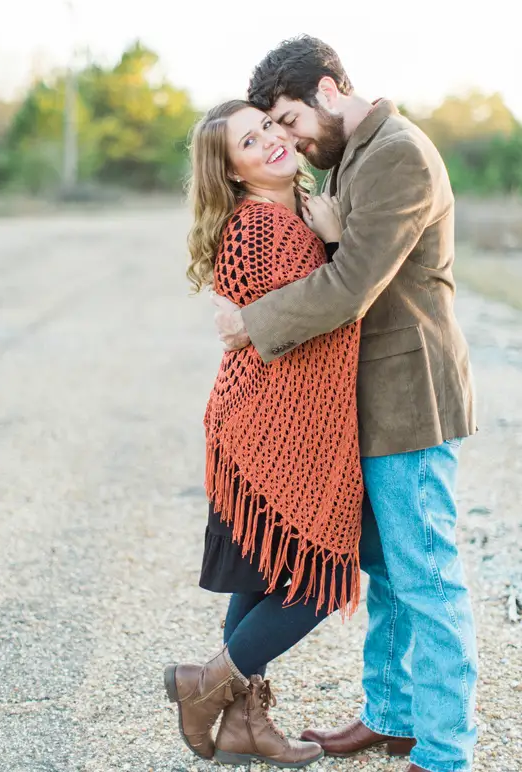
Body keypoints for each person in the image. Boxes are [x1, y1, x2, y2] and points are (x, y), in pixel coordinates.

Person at [212, 37, 478, 772]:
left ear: (329, 90)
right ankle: (392, 717)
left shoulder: (396, 153)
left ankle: (447, 752)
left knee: (427, 577)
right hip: (370, 404)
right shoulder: (352, 155)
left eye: (290, 120)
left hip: (410, 398)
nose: (289, 139)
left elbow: (351, 284)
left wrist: (252, 324)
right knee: (392, 572)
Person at [164, 99, 364, 769]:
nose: (271, 142)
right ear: (234, 171)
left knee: (261, 582)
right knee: (317, 580)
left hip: (272, 433)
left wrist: (329, 233)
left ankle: (244, 723)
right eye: (250, 141)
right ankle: (208, 686)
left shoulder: (295, 214)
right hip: (266, 436)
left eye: (270, 126)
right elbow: (319, 318)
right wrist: (337, 245)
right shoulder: (259, 228)